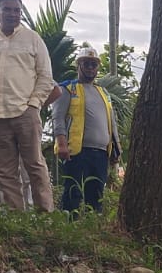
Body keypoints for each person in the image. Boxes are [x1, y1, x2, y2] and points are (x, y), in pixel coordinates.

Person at [0, 0, 57, 211]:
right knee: (4, 171)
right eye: (7, 9)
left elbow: (46, 77)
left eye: (17, 10)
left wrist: (33, 104)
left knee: (35, 166)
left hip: (25, 113)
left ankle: (46, 216)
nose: (12, 14)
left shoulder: (33, 39)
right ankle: (15, 220)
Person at [51, 46, 119, 214]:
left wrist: (116, 149)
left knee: (96, 195)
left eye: (93, 65)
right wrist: (61, 144)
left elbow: (112, 122)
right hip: (77, 152)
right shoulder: (67, 89)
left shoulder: (104, 93)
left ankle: (93, 230)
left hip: (101, 153)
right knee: (73, 192)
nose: (90, 68)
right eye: (86, 64)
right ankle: (68, 226)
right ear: (79, 66)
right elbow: (57, 117)